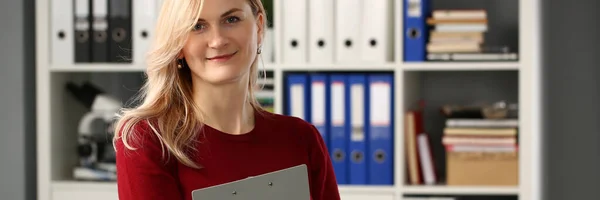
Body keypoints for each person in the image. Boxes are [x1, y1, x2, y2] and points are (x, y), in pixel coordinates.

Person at [111, 0, 341, 199]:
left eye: (231, 19)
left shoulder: (301, 138)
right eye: (198, 26)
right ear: (179, 44)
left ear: (259, 27)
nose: (218, 40)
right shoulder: (147, 141)